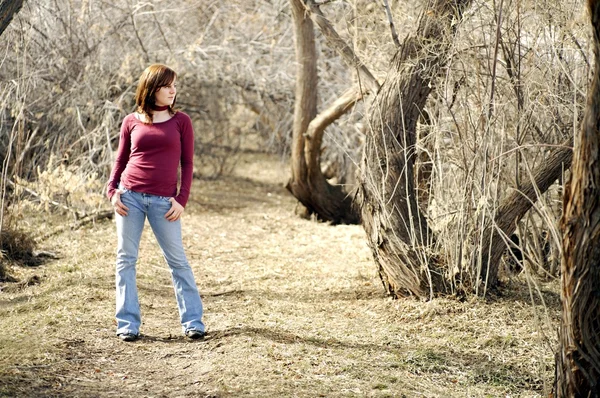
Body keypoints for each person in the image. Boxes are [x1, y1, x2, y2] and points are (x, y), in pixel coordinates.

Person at [106, 64, 205, 342]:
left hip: (165, 202)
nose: (173, 90)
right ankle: (127, 324)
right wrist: (112, 191)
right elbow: (121, 159)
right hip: (130, 197)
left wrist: (182, 199)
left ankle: (193, 322)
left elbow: (187, 163)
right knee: (126, 259)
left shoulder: (181, 121)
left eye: (175, 85)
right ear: (152, 89)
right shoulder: (131, 121)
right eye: (167, 86)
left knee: (178, 261)